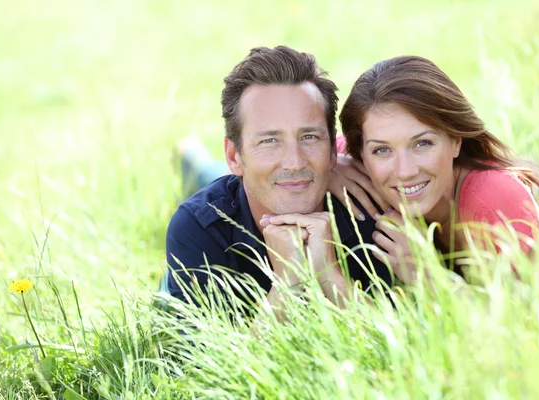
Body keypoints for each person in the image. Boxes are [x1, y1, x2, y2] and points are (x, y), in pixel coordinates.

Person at [162, 46, 392, 317]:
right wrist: (287, 285)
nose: (294, 162)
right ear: (234, 155)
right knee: (209, 178)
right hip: (228, 190)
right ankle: (191, 156)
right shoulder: (198, 227)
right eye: (269, 141)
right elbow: (202, 359)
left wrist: (329, 274)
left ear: (332, 150)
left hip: (253, 183)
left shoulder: (373, 215)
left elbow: (397, 346)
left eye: (309, 137)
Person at [330, 55, 539, 285]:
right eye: (382, 150)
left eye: (422, 143)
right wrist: (328, 168)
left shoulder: (495, 198)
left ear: (456, 140)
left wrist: (427, 274)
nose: (405, 171)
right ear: (361, 154)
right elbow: (303, 152)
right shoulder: (352, 157)